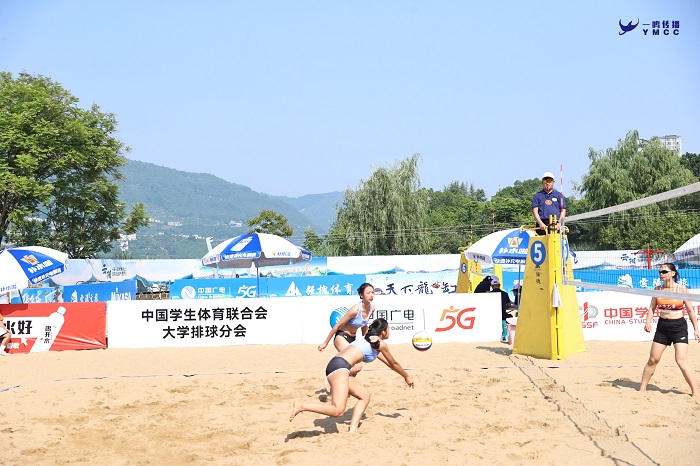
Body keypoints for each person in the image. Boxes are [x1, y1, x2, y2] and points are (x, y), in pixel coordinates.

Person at [291, 318, 414, 432]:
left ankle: (352, 430)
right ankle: (302, 406)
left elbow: (389, 363)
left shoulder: (370, 340)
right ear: (383, 331)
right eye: (389, 329)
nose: (390, 332)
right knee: (338, 411)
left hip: (337, 364)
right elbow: (394, 364)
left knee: (364, 396)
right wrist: (406, 376)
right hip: (340, 368)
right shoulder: (380, 343)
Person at [639, 263, 699, 397]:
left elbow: (690, 310)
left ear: (673, 273)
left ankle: (695, 393)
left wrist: (696, 329)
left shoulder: (681, 290)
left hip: (678, 327)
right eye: (660, 272)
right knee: (653, 360)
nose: (661, 274)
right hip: (662, 326)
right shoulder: (657, 289)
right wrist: (648, 321)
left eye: (664, 271)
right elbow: (652, 308)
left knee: (681, 361)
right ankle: (642, 389)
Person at [318, 283, 376, 378]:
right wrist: (325, 343)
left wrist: (366, 340)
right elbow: (337, 325)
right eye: (368, 293)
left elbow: (364, 325)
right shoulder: (355, 310)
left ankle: (344, 384)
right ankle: (332, 376)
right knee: (357, 366)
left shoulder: (372, 308)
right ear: (361, 295)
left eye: (373, 292)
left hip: (353, 339)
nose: (371, 295)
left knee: (354, 370)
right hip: (341, 337)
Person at [489, 277, 513, 343]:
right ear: (499, 285)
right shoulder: (505, 294)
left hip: (491, 315)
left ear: (492, 286)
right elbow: (509, 305)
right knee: (509, 316)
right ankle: (505, 335)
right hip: (502, 315)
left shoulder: (488, 294)